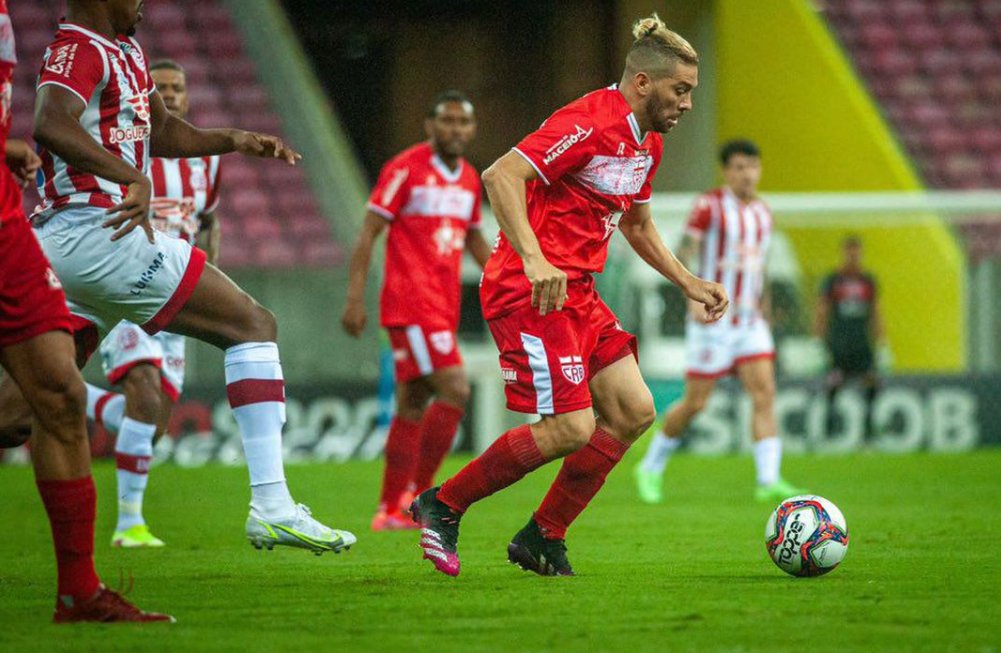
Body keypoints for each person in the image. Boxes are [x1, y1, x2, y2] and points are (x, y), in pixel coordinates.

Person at [0, 0, 354, 555]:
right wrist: (128, 178)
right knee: (252, 325)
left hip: (74, 250)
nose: (142, 2)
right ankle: (272, 506)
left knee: (15, 415)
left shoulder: (126, 49)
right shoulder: (79, 49)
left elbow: (161, 134)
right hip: (101, 231)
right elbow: (49, 120)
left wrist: (232, 138)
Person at [410, 13, 728, 578]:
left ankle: (542, 535)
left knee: (633, 410)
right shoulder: (589, 121)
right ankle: (443, 504)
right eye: (680, 90)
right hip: (528, 288)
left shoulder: (646, 142)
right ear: (642, 83)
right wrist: (535, 258)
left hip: (576, 291)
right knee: (572, 427)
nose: (686, 103)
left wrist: (689, 282)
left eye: (691, 93)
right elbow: (501, 176)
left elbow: (636, 225)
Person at [0, 0, 170, 622]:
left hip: (11, 220)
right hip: (84, 235)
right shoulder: (79, 48)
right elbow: (55, 118)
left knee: (52, 403)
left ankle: (78, 592)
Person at [77, 59, 223, 548]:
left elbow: (208, 222)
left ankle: (77, 398)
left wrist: (211, 275)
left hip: (176, 292)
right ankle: (129, 525)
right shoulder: (121, 149)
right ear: (146, 97)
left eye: (177, 88)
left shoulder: (206, 161)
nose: (171, 94)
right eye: (160, 88)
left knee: (153, 421)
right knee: (142, 391)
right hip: (127, 283)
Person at [341, 90, 491, 531]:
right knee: (456, 389)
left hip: (441, 306)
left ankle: (389, 509)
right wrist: (354, 297)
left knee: (413, 402)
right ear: (430, 126)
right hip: (411, 302)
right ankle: (422, 497)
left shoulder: (468, 178)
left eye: (463, 123)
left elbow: (475, 239)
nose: (456, 130)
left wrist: (511, 278)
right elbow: (369, 231)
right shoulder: (404, 168)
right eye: (447, 121)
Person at [634, 139, 806, 505]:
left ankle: (768, 479)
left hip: (749, 321)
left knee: (765, 395)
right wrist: (691, 298)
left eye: (753, 166)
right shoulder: (709, 207)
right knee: (696, 403)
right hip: (712, 318)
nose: (747, 174)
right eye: (740, 167)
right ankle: (651, 465)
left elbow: (760, 268)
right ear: (727, 171)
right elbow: (684, 252)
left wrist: (765, 308)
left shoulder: (763, 212)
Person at [814, 236, 886, 439]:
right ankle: (828, 427)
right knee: (833, 384)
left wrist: (881, 342)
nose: (853, 256)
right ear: (844, 253)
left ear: (860, 253)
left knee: (872, 383)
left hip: (862, 341)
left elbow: (876, 311)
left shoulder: (868, 280)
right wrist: (818, 339)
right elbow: (822, 310)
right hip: (839, 342)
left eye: (856, 251)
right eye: (850, 251)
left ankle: (868, 428)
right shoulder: (833, 280)